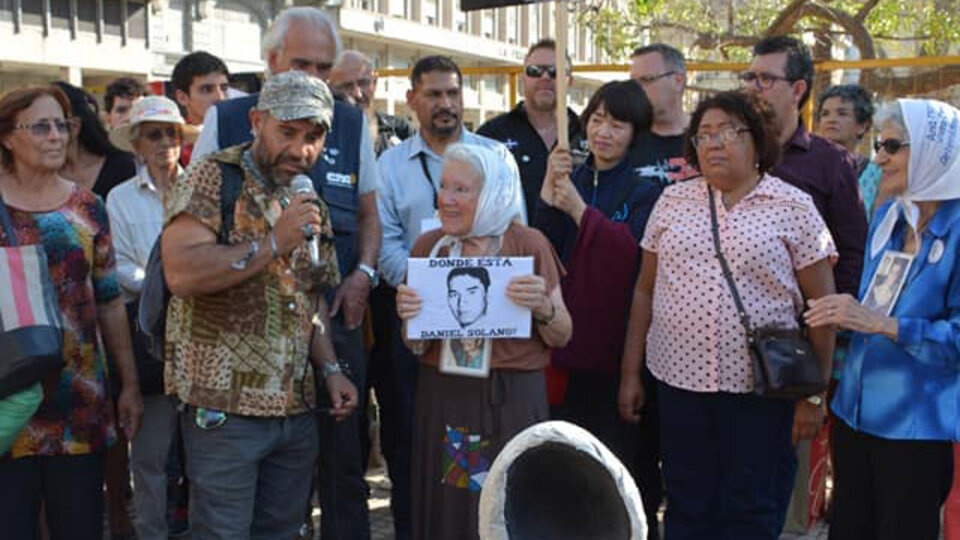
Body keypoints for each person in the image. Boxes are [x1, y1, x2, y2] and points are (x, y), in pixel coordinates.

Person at [192, 8, 382, 539]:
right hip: (242, 333)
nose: (313, 78)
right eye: (302, 63)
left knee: (342, 458)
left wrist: (362, 273)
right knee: (255, 490)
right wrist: (272, 245)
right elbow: (195, 229)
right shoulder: (227, 120)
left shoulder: (348, 119)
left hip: (332, 311)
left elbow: (369, 214)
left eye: (324, 67)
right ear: (271, 61)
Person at [619, 91, 837, 540]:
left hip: (761, 392)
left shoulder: (793, 206)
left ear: (756, 141)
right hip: (680, 385)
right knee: (686, 503)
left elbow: (823, 309)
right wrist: (630, 374)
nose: (714, 143)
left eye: (727, 132)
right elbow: (644, 290)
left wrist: (814, 397)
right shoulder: (673, 202)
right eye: (703, 135)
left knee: (752, 506)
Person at [161, 71, 359, 540]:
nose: (301, 149)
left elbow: (308, 295)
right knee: (223, 532)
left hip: (294, 411)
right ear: (256, 121)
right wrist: (274, 242)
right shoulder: (214, 176)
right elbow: (182, 273)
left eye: (313, 137)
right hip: (225, 411)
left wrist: (330, 369)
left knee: (284, 531)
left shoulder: (307, 197)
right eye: (287, 133)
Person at [396, 142, 572, 540]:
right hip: (453, 400)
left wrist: (542, 306)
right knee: (463, 501)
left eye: (462, 190)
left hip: (512, 399)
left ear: (493, 192)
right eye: (444, 187)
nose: (448, 200)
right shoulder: (430, 248)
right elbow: (415, 346)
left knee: (514, 500)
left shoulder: (528, 245)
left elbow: (562, 334)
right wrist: (408, 316)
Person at [376, 54, 519, 540]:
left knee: (496, 464)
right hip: (423, 327)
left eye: (453, 93)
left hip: (497, 348)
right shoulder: (389, 165)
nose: (446, 104)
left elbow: (514, 232)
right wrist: (429, 286)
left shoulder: (497, 158)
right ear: (412, 98)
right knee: (429, 448)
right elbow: (387, 244)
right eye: (434, 94)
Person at [805, 98, 960, 540]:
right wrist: (842, 314)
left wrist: (881, 324)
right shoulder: (890, 217)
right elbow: (874, 303)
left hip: (915, 429)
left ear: (937, 151)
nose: (878, 158)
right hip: (854, 416)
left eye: (893, 146)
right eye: (878, 143)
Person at [0, 85, 143, 540]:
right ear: (6, 137)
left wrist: (129, 385)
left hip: (79, 399)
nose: (55, 136)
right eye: (40, 126)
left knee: (80, 526)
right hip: (7, 402)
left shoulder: (86, 206)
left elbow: (109, 300)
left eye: (61, 125)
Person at [534, 79, 663, 536]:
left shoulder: (646, 189)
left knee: (618, 462)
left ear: (636, 132)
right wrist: (552, 195)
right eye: (597, 119)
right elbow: (543, 247)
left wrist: (580, 212)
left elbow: (631, 258)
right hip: (563, 340)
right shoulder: (571, 174)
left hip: (616, 346)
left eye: (618, 124)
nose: (603, 132)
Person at [105, 95, 190, 540]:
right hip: (149, 337)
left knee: (206, 456)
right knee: (151, 458)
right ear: (136, 144)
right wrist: (174, 281)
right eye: (154, 134)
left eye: (171, 133)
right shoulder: (118, 199)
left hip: (201, 334)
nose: (164, 143)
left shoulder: (202, 187)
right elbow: (117, 267)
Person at [477, 38, 584, 220]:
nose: (545, 78)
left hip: (578, 246)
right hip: (516, 246)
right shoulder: (492, 135)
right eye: (534, 71)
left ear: (570, 81)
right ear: (522, 78)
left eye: (555, 72)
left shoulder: (589, 134)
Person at [628, 43, 697, 185]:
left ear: (678, 81)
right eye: (633, 83)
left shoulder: (708, 138)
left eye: (646, 80)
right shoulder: (625, 139)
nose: (636, 90)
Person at [55, 81, 138, 199]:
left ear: (74, 126)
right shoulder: (40, 173)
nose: (128, 118)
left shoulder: (124, 167)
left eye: (56, 124)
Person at [815, 84, 885, 218]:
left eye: (842, 113)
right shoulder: (806, 167)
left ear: (862, 126)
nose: (831, 119)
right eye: (825, 114)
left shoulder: (876, 174)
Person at [328, 49, 412, 156]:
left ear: (375, 83)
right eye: (347, 86)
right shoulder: (319, 137)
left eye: (363, 83)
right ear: (331, 89)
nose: (358, 94)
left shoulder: (400, 132)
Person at [171, 50, 230, 166]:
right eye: (207, 89)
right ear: (182, 97)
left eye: (224, 88)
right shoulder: (171, 145)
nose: (220, 98)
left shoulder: (247, 137)